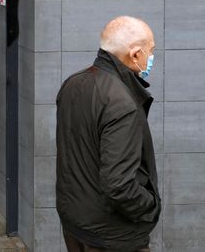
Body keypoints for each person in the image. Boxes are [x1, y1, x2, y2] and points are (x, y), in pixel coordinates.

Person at [56, 16, 161, 252]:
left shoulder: (73, 84)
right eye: (151, 51)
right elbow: (119, 185)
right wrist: (149, 207)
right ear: (135, 55)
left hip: (75, 221)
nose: (152, 58)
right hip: (113, 235)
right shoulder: (122, 103)